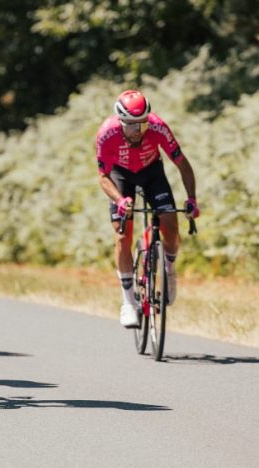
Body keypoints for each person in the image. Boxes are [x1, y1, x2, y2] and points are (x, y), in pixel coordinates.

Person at [95, 89, 198, 327]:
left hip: (151, 172)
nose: (138, 130)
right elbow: (103, 177)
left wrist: (192, 198)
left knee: (171, 224)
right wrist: (120, 200)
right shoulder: (106, 134)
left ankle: (169, 271)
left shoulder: (158, 127)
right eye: (132, 125)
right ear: (121, 121)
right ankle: (128, 303)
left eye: (142, 123)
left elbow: (182, 164)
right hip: (120, 175)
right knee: (122, 234)